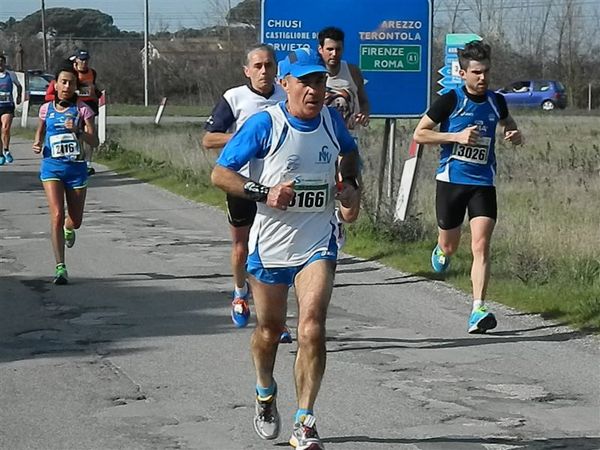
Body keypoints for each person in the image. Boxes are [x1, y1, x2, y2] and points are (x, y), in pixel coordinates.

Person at [211, 47, 361, 450]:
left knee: (311, 327)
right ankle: (264, 392)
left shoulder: (331, 120)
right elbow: (220, 173)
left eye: (319, 82)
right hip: (271, 245)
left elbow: (349, 154)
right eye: (305, 82)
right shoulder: (265, 124)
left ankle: (305, 421)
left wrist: (350, 188)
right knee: (269, 331)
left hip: (317, 241)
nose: (314, 90)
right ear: (285, 83)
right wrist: (264, 191)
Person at [413, 41, 522, 333]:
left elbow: (508, 124)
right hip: (451, 181)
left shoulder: (496, 101)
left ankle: (478, 309)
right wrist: (456, 137)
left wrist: (513, 134)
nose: (482, 78)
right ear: (462, 73)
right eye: (476, 72)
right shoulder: (450, 100)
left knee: (481, 245)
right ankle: (441, 250)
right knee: (450, 245)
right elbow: (420, 133)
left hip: (483, 183)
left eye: (486, 71)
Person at [202, 44, 294, 342]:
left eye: (269, 65)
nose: (264, 71)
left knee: (275, 253)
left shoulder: (286, 95)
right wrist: (248, 137)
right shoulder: (234, 98)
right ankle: (240, 294)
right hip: (242, 185)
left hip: (276, 188)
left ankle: (274, 320)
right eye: (258, 66)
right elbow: (208, 139)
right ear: (247, 70)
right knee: (242, 247)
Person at [32, 64, 98, 284]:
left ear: (75, 86)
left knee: (75, 220)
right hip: (52, 167)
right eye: (63, 82)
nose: (67, 86)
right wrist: (37, 142)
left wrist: (78, 130)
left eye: (71, 83)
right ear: (56, 84)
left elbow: (94, 141)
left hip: (76, 170)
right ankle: (60, 267)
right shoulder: (46, 109)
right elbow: (41, 130)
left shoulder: (82, 110)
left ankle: (70, 229)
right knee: (57, 214)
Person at [317, 26, 370, 131]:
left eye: (338, 49)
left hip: (350, 137)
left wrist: (364, 114)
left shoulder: (353, 71)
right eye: (330, 49)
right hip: (322, 136)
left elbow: (364, 101)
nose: (334, 54)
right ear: (320, 49)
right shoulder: (314, 74)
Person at [0, 54, 22, 165]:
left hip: (7, 106)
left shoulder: (11, 74)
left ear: (4, 63)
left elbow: (19, 86)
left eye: (1, 61)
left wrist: (19, 96)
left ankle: (6, 149)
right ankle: (0, 154)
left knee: (5, 128)